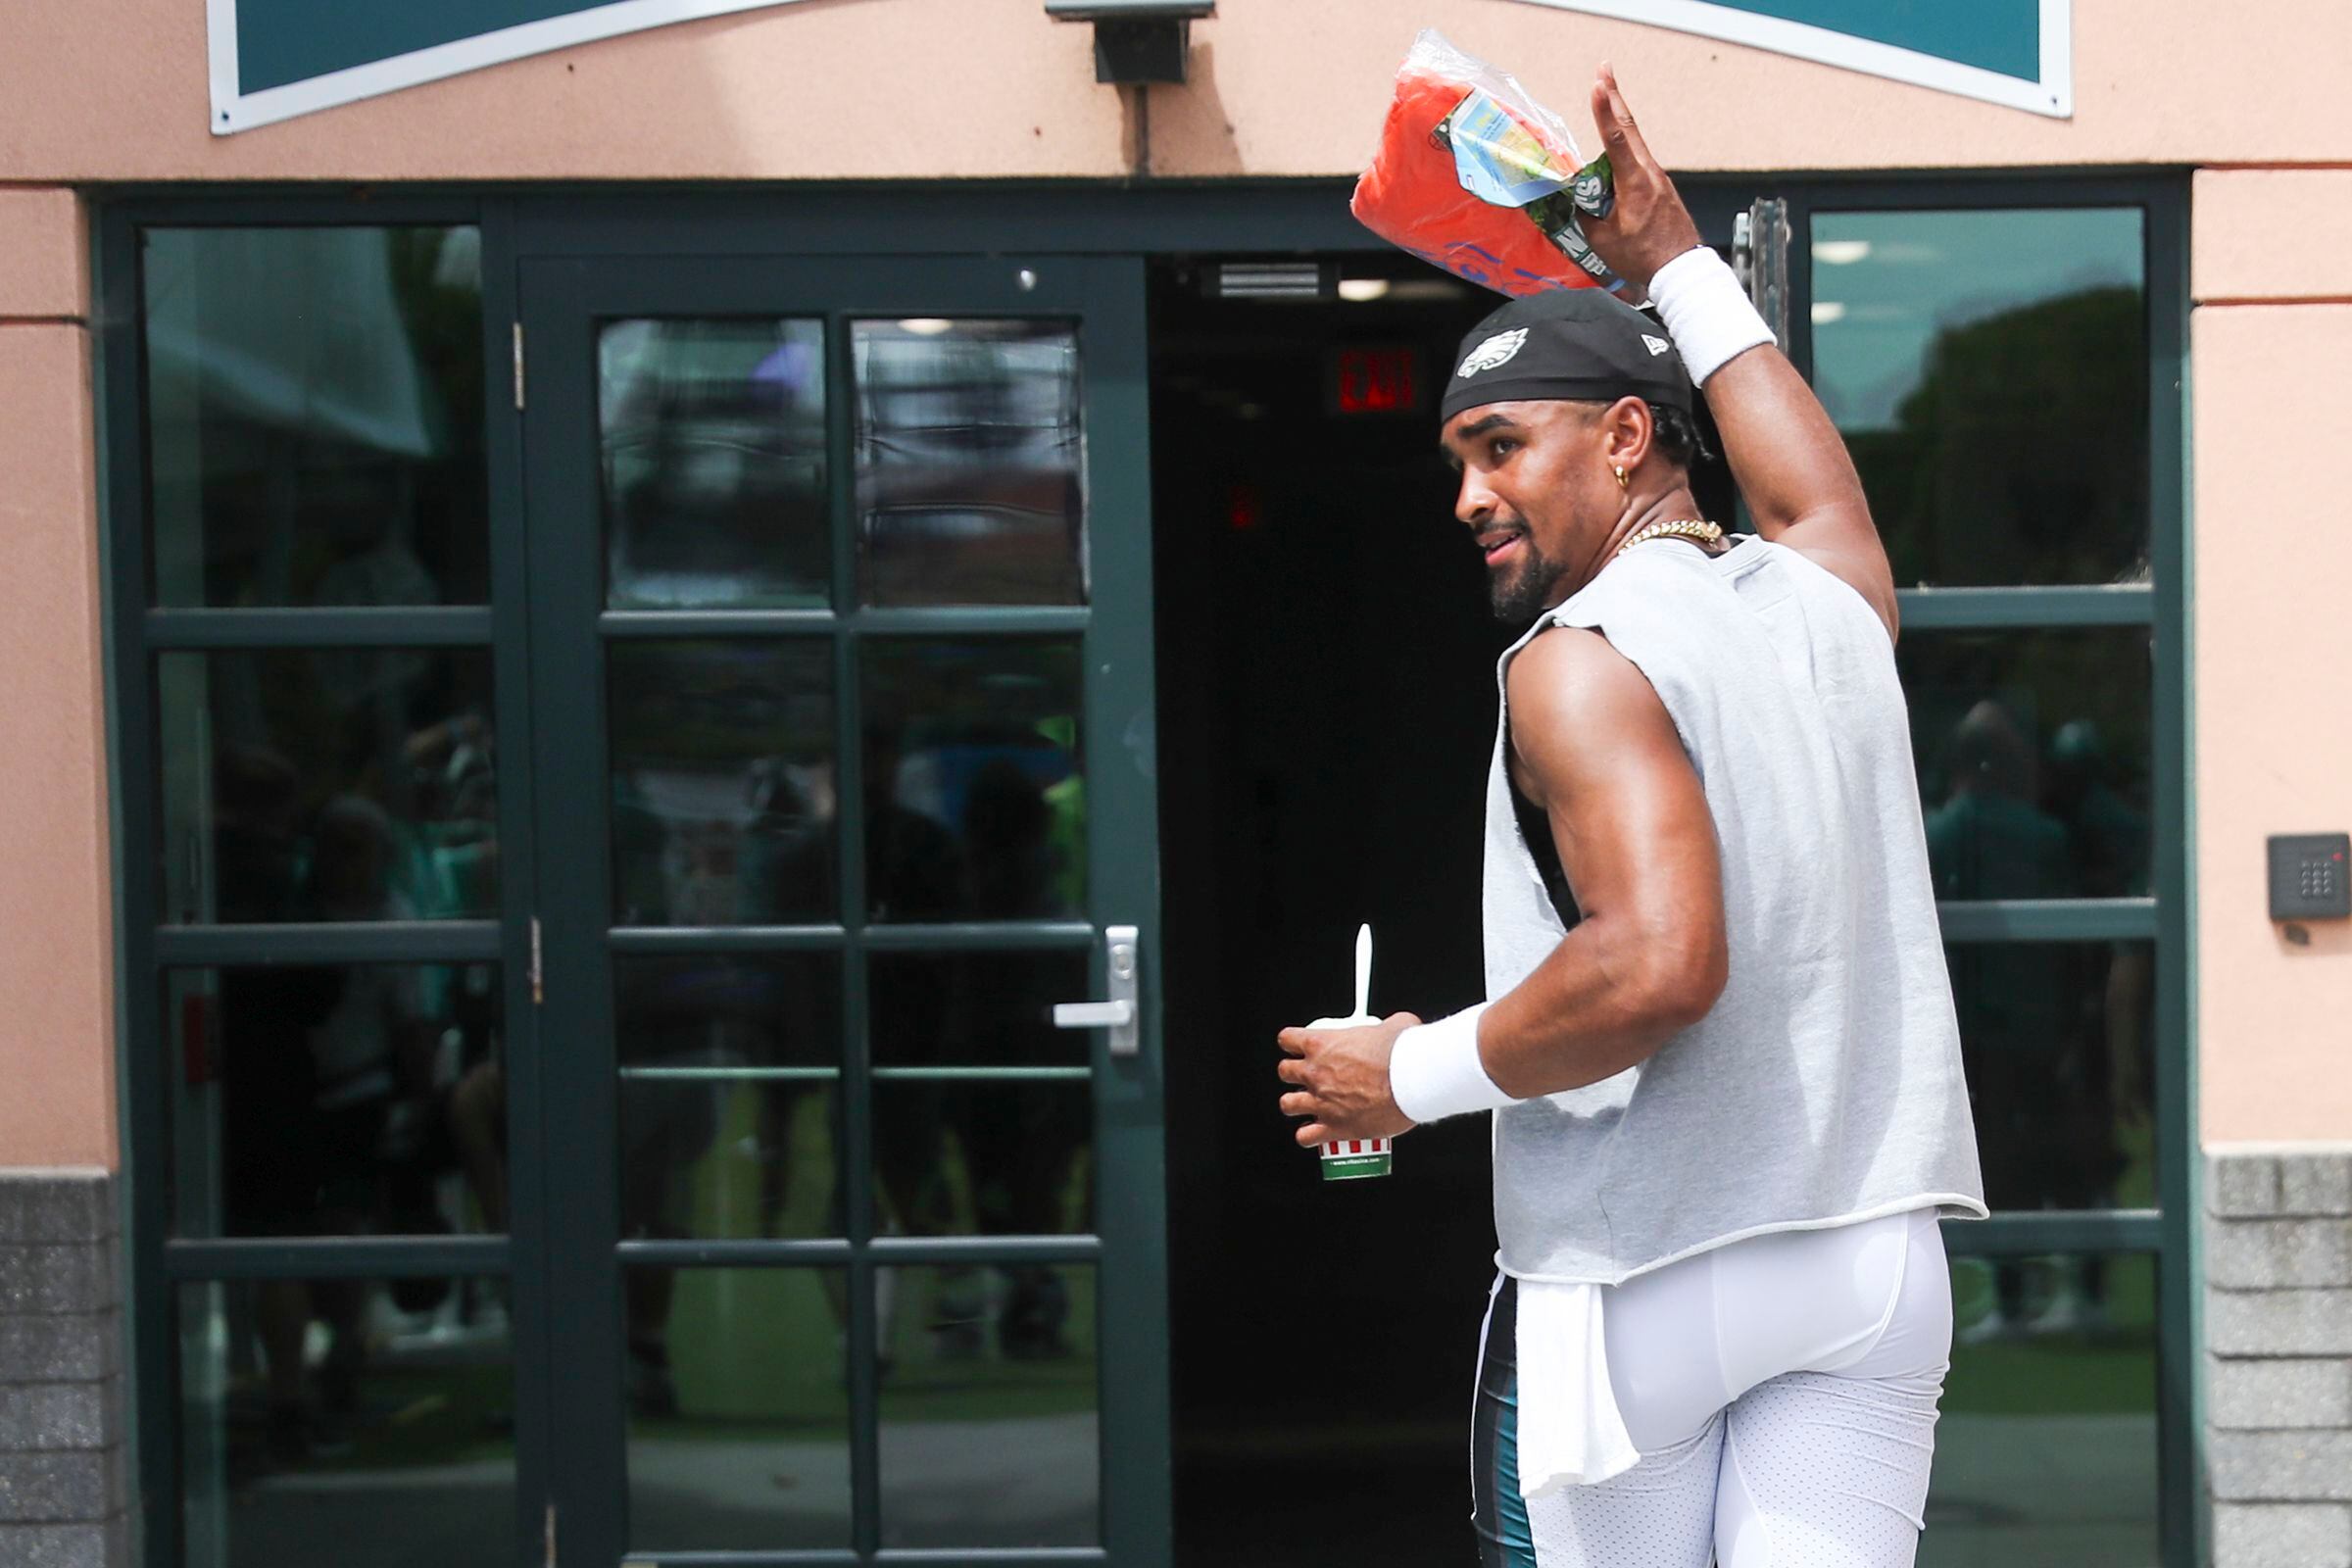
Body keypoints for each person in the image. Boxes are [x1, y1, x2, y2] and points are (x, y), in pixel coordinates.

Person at [1276, 68, 1985, 1567]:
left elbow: (1661, 965)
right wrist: (1670, 255)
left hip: (1643, 1266)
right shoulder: (1827, 602)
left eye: (1499, 448)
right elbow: (1817, 505)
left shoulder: (1574, 664)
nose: (1468, 495)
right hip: (1869, 1257)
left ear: (1621, 436)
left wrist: (1409, 1073)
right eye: (1458, 462)